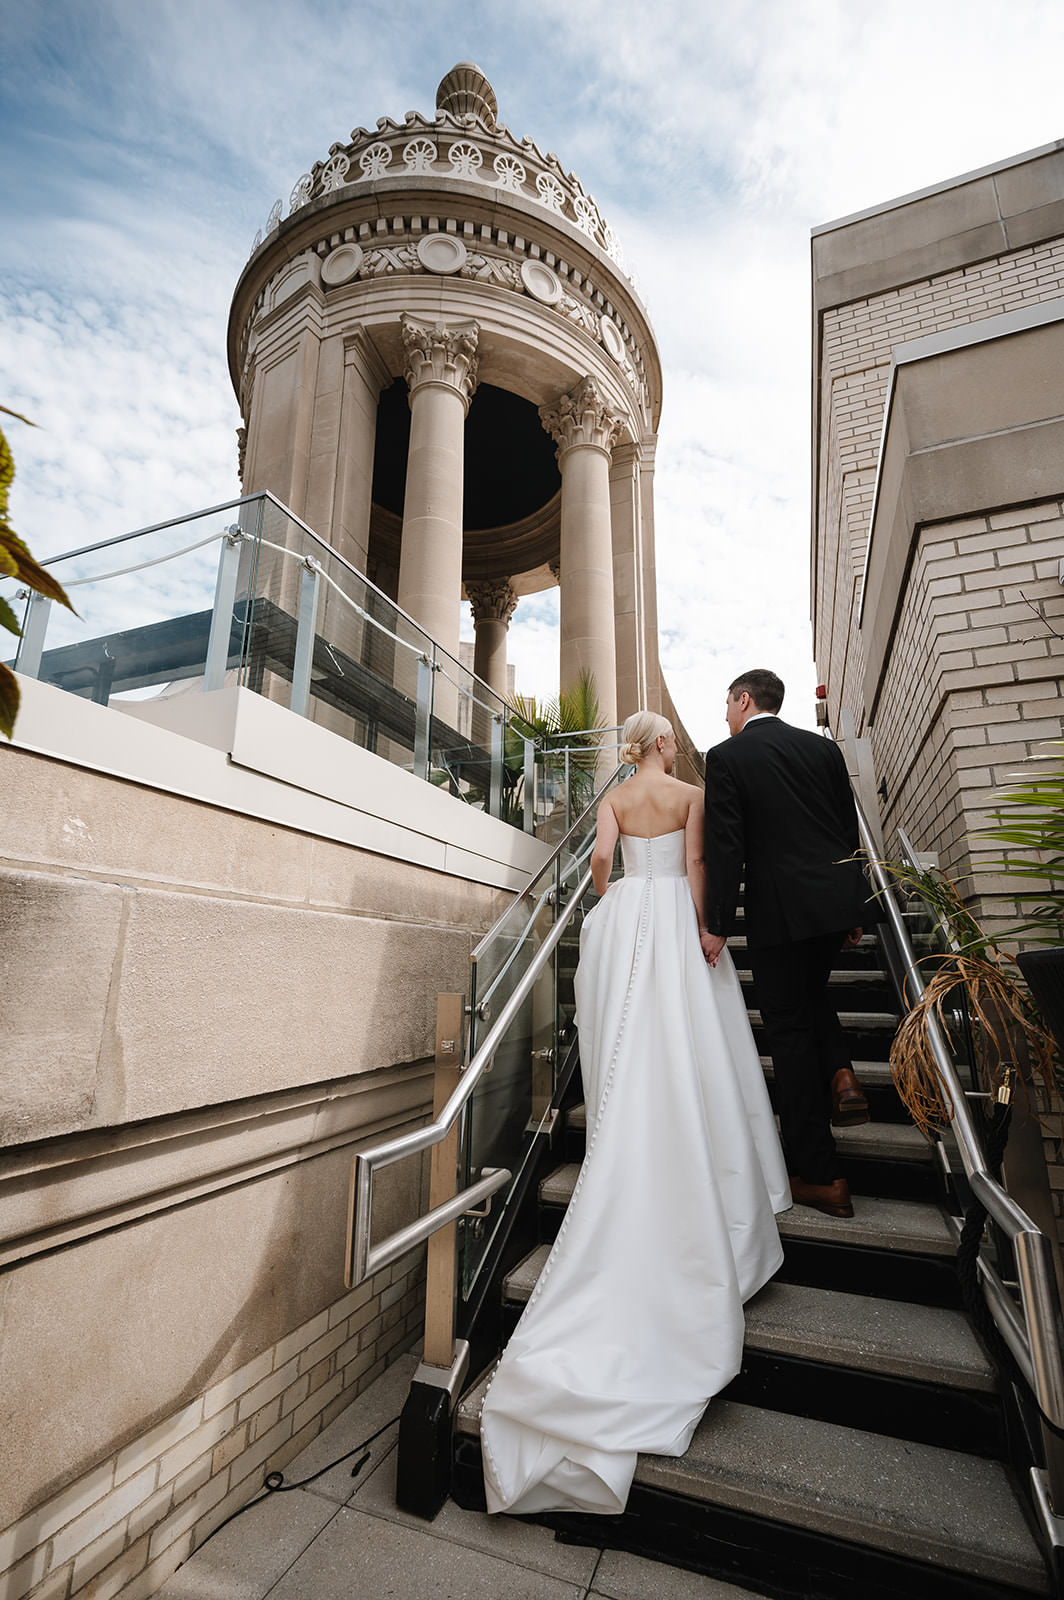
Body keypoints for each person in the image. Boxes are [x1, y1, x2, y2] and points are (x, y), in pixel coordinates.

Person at [480, 709, 789, 1517]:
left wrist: (613, 902)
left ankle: (625, 1117)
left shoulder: (615, 795)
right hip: (674, 917)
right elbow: (697, 866)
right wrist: (702, 930)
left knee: (622, 1031)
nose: (676, 747)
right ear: (664, 744)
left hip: (626, 918)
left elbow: (600, 868)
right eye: (671, 740)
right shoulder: (690, 792)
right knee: (689, 1034)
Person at [702, 669, 869, 1222]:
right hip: (833, 901)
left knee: (790, 1036)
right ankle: (842, 1071)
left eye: (728, 703)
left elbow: (726, 847)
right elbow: (849, 830)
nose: (726, 714)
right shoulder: (823, 751)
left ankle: (822, 1176)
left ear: (745, 700)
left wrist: (717, 922)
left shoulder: (726, 757)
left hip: (780, 910)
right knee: (811, 991)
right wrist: (856, 906)